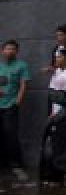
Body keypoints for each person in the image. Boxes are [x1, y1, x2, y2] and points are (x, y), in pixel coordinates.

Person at [0, 40, 31, 171]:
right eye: (7, 49)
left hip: (10, 104)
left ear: (17, 51)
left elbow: (23, 84)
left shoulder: (21, 65)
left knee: (10, 132)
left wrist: (18, 100)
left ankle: (15, 162)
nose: (9, 51)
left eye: (12, 49)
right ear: (2, 51)